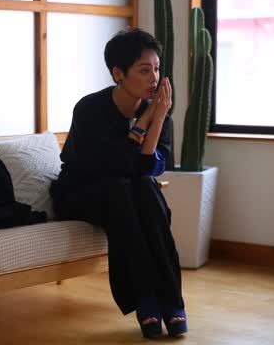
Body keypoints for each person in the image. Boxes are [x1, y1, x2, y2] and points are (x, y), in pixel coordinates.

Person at [49, 28, 187, 338]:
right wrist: (143, 123)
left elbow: (147, 169)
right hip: (79, 192)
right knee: (121, 188)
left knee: (143, 188)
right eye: (144, 70)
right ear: (118, 74)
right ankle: (146, 300)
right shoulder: (89, 109)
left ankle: (168, 300)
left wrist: (157, 119)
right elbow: (110, 165)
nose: (154, 78)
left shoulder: (161, 113)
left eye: (157, 69)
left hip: (124, 193)